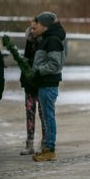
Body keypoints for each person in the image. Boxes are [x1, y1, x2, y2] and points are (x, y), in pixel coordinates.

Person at [30, 12, 66, 162]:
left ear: (44, 26)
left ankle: (50, 149)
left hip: (48, 84)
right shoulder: (46, 39)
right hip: (44, 84)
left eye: (35, 26)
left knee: (48, 117)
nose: (32, 29)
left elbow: (55, 65)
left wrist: (37, 71)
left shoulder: (52, 40)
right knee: (46, 117)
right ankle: (47, 147)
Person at [20, 22, 46, 155]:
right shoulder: (29, 40)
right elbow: (24, 59)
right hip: (30, 83)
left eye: (35, 27)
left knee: (43, 114)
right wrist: (24, 78)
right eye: (31, 27)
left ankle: (45, 143)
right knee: (30, 113)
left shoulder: (45, 41)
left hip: (41, 82)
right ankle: (29, 143)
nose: (32, 30)